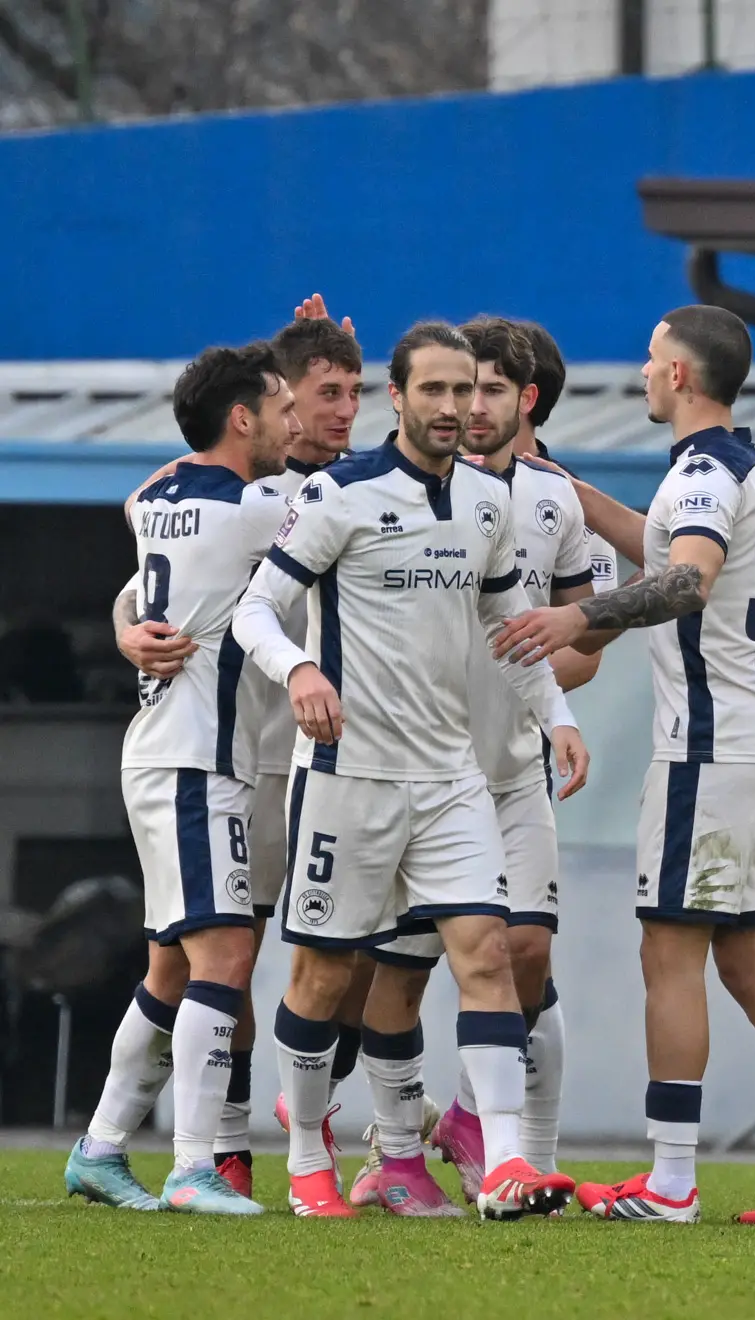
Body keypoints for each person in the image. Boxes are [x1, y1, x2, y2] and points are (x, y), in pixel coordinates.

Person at [494, 306, 755, 1226]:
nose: (640, 369)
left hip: (714, 746)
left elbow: (686, 580)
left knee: (669, 953)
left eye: (650, 357)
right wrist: (576, 493)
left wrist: (576, 618)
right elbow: (670, 547)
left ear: (680, 376)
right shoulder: (752, 469)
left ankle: (670, 1181)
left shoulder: (704, 474)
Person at [232, 320, 589, 1220]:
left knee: (487, 954)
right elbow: (255, 615)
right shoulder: (337, 493)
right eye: (432, 390)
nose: (453, 407)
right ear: (397, 397)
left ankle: (505, 1160)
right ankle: (306, 1154)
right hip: (348, 777)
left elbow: (515, 632)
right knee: (320, 978)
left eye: (464, 390)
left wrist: (561, 715)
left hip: (449, 780)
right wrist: (301, 669)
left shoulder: (487, 502)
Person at [330, 317, 606, 1215]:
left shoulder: (553, 502)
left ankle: (497, 1142)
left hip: (509, 773)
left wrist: (540, 699)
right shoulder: (379, 488)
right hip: (413, 774)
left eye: (488, 390)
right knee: (397, 976)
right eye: (456, 389)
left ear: (523, 402)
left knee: (521, 953)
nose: (468, 406)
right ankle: (397, 1152)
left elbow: (581, 641)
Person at [64, 343, 297, 1213]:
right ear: (242, 419)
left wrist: (129, 619)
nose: (294, 422)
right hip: (196, 761)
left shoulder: (159, 497)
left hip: (169, 750)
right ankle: (196, 1166)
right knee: (226, 953)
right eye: (280, 406)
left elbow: (142, 495)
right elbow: (337, 505)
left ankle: (99, 1147)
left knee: (171, 968)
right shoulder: (255, 510)